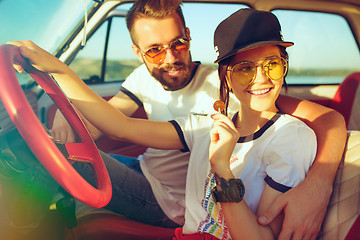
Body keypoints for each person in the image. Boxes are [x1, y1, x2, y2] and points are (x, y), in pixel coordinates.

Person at [10, 0, 347, 238]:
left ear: (188, 37)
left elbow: (326, 120)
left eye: (178, 44)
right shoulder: (165, 96)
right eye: (155, 50)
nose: (170, 58)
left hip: (169, 198)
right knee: (50, 147)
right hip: (146, 169)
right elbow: (117, 121)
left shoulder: (232, 86)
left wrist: (319, 182)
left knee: (31, 150)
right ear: (139, 54)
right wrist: (73, 116)